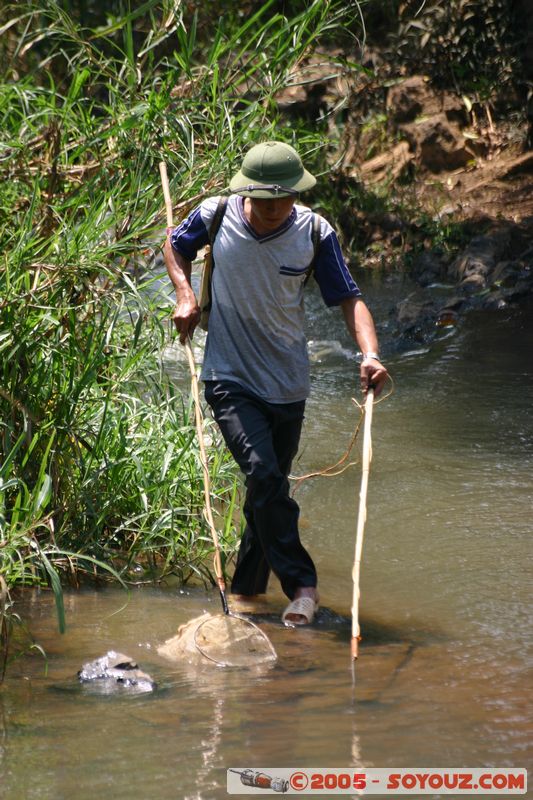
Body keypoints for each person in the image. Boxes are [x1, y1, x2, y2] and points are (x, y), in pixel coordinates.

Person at [164, 140, 388, 626]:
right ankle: (302, 587)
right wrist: (185, 295)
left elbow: (350, 300)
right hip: (229, 376)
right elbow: (174, 247)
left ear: (296, 194)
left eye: (281, 199)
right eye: (262, 200)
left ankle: (246, 594)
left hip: (289, 385)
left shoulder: (314, 233)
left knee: (265, 492)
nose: (271, 209)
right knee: (265, 474)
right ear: (246, 193)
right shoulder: (215, 215)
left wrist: (370, 355)